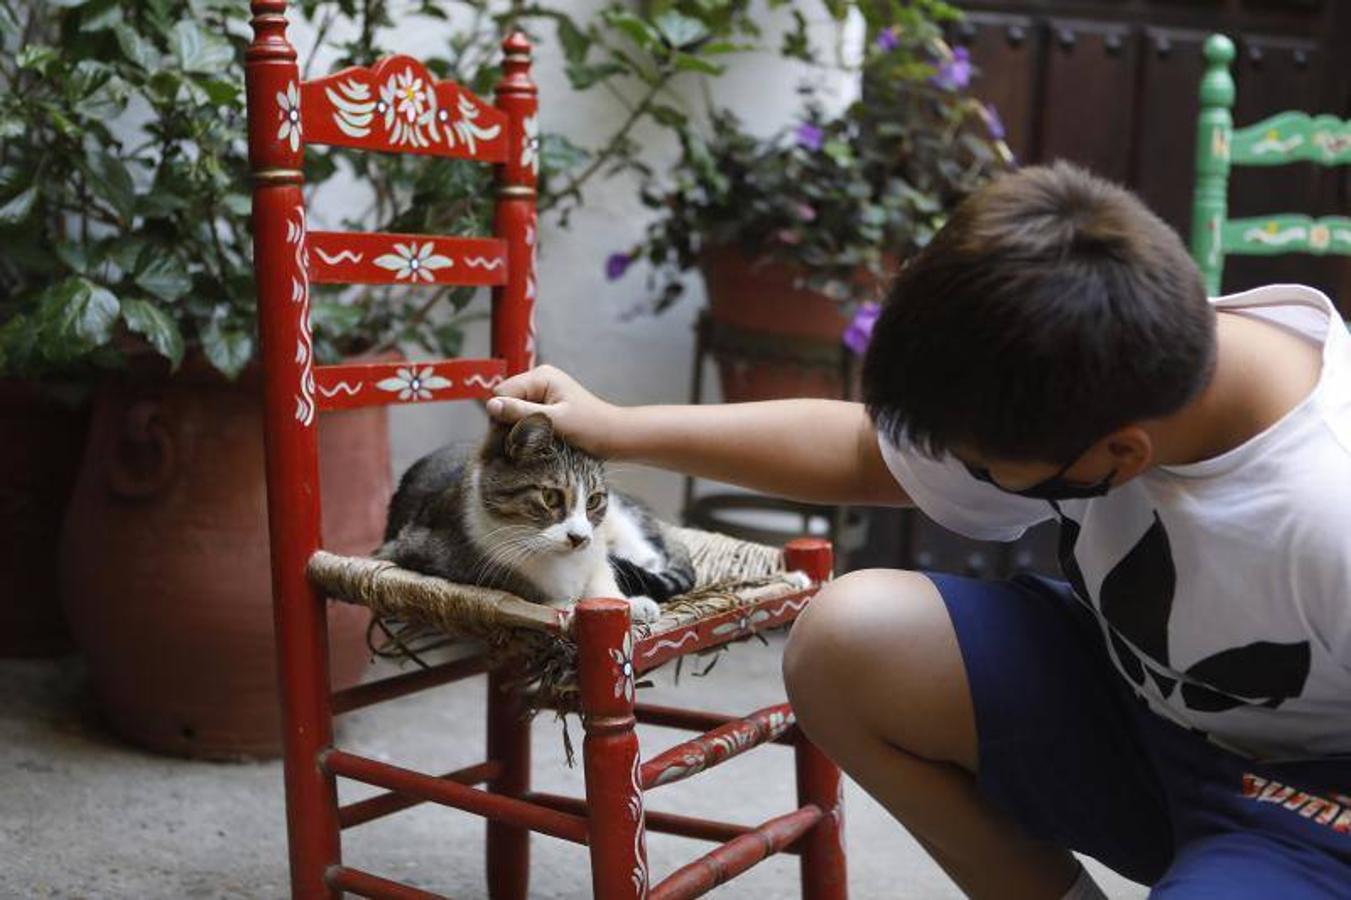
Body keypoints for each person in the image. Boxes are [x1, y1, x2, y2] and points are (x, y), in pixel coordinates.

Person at [485, 162, 1351, 899]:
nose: (956, 473)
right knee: (849, 639)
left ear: (1121, 454)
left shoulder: (1329, 507)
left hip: (1308, 805)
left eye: (978, 466)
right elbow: (869, 451)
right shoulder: (1101, 337)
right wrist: (613, 426)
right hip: (1134, 710)